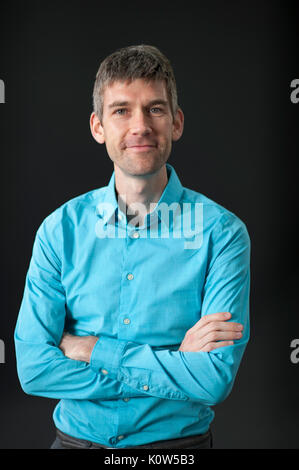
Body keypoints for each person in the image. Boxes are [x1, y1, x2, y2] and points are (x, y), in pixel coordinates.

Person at [14, 45, 250, 449]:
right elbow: (35, 369)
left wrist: (91, 350)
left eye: (155, 109)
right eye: (121, 110)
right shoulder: (59, 231)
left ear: (176, 123)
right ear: (98, 126)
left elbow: (212, 381)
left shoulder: (222, 234)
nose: (140, 125)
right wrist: (174, 365)